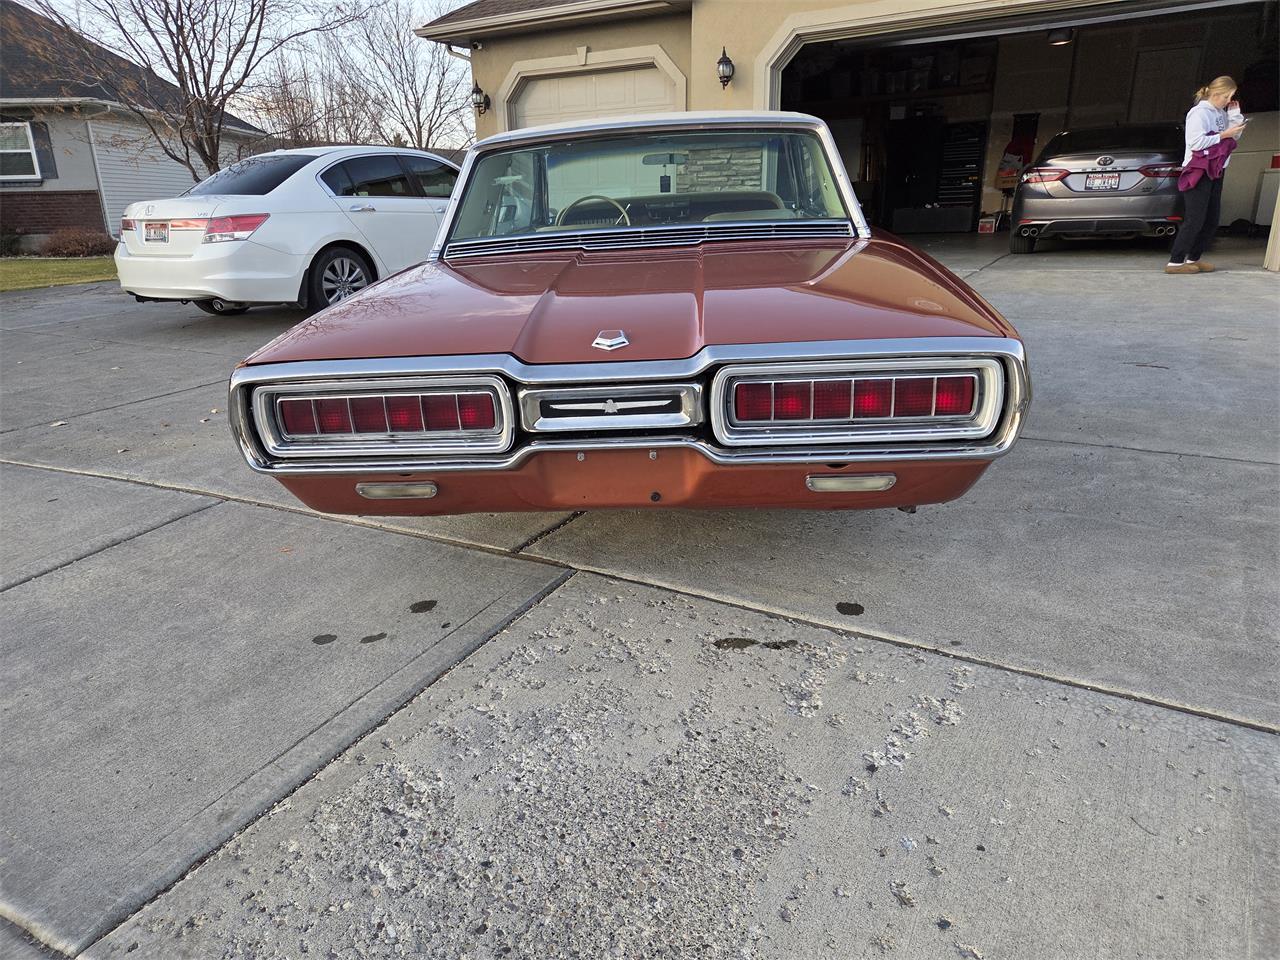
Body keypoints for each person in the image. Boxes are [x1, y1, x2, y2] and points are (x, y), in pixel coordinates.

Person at [1165, 76, 1246, 274]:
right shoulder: (1199, 113)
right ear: (1216, 94)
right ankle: (1175, 262)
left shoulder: (1220, 112)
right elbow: (1196, 143)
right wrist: (1223, 135)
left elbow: (1233, 135)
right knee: (1195, 218)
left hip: (1216, 168)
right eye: (1227, 96)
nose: (1229, 100)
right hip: (1198, 169)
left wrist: (1235, 115)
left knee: (1211, 219)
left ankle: (1194, 258)